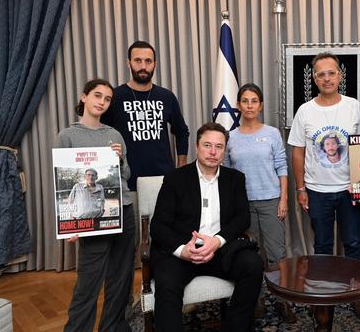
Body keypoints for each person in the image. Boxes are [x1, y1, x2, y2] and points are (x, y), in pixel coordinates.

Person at [150, 122, 264, 331]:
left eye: (219, 147)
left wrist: (217, 240)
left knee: (253, 265)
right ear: (197, 146)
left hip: (220, 250)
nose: (212, 152)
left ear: (224, 150)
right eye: (207, 145)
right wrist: (183, 250)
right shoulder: (175, 178)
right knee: (167, 283)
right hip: (184, 252)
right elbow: (158, 226)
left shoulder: (235, 179)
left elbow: (242, 218)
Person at [287, 52, 360, 320]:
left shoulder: (354, 106)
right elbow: (298, 152)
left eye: (331, 73)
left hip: (349, 190)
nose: (326, 78)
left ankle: (358, 295)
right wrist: (300, 189)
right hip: (316, 191)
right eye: (321, 74)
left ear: (340, 75)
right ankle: (322, 297)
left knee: (354, 243)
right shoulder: (305, 111)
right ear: (314, 78)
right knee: (322, 247)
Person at [55, 79, 135, 332]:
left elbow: (126, 175)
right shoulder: (66, 136)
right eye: (97, 96)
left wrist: (119, 159)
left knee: (121, 278)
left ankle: (114, 327)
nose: (102, 102)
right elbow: (61, 186)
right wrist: (69, 224)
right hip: (91, 221)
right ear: (84, 97)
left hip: (124, 211)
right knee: (89, 280)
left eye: (107, 99)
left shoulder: (114, 134)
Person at [223, 83, 295, 322]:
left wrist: (284, 199)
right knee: (250, 258)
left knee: (277, 254)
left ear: (261, 105)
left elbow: (282, 167)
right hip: (243, 206)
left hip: (271, 200)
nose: (250, 105)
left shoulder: (272, 133)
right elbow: (228, 175)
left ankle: (282, 302)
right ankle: (256, 300)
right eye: (245, 101)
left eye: (254, 101)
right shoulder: (230, 137)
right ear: (238, 105)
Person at [101, 40, 190, 191]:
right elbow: (101, 133)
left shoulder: (166, 96)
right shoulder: (115, 97)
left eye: (148, 61)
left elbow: (181, 132)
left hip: (164, 181)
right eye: (138, 60)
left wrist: (181, 168)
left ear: (155, 64)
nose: (143, 66)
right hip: (125, 181)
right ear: (128, 63)